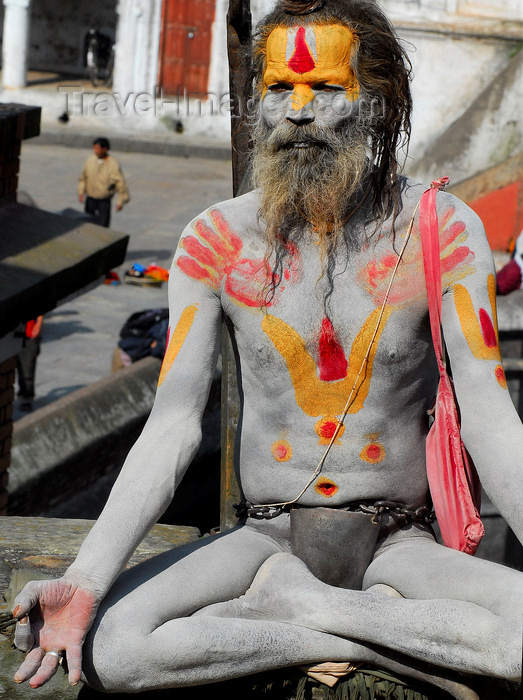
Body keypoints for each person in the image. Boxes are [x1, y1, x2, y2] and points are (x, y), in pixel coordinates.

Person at [12, 0, 523, 695]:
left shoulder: (444, 230)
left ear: (376, 103)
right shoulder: (212, 243)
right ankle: (355, 626)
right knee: (112, 650)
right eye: (280, 88)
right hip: (265, 539)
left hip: (396, 543)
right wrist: (85, 579)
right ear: (257, 100)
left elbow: (491, 413)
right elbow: (171, 425)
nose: (300, 111)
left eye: (326, 90)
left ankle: (311, 608)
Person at [77, 137, 129, 228]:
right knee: (87, 224)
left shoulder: (113, 164)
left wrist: (120, 201)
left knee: (103, 226)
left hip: (104, 201)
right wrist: (81, 192)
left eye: (97, 149)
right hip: (90, 199)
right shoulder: (90, 160)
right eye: (94, 148)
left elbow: (120, 183)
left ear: (104, 149)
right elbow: (83, 178)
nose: (95, 151)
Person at [15, 316, 43, 412]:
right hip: (14, 333)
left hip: (30, 332)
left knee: (27, 370)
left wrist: (38, 325)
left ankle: (26, 399)